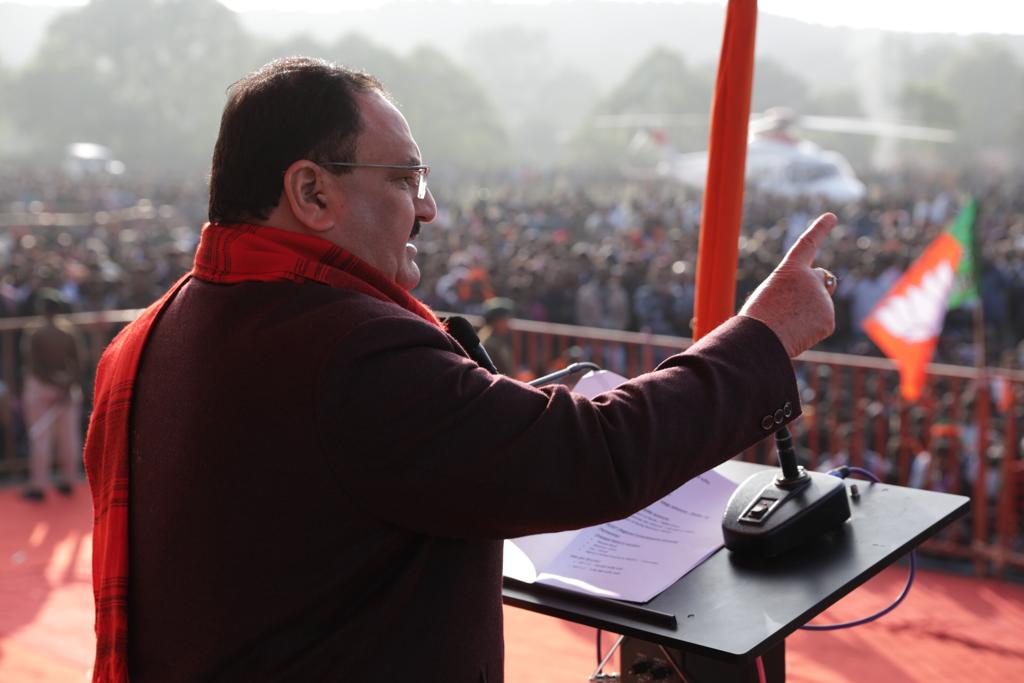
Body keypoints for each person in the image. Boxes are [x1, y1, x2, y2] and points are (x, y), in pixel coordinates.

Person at [84, 57, 838, 682]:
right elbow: (591, 458)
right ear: (312, 191)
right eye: (405, 178)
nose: (430, 207)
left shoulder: (146, 338)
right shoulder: (347, 350)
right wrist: (764, 336)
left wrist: (490, 411)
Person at [21, 288, 82, 501]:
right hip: (65, 390)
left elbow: (34, 365)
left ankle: (39, 485)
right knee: (68, 438)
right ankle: (68, 480)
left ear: (42, 310)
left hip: (41, 388)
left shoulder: (35, 333)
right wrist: (65, 385)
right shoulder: (68, 332)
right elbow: (78, 363)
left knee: (40, 438)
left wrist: (53, 383)